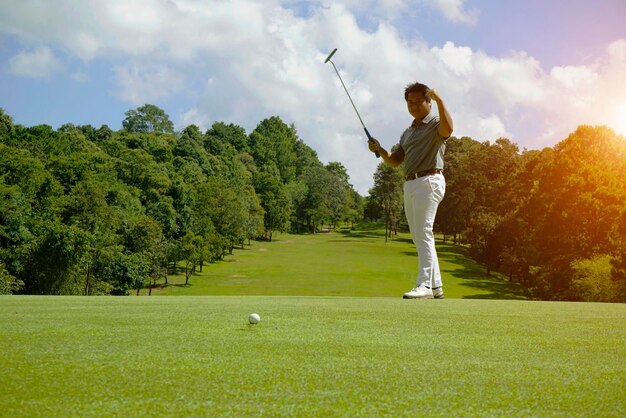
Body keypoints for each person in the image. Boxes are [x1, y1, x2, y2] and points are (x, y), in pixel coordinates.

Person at [368, 82, 453, 299]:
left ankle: (424, 285)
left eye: (418, 101)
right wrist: (379, 149)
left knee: (423, 232)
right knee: (419, 236)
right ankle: (436, 287)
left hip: (430, 180)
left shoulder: (435, 123)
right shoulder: (407, 133)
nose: (414, 106)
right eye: (410, 102)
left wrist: (441, 99)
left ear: (429, 102)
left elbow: (448, 129)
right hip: (411, 183)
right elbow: (395, 161)